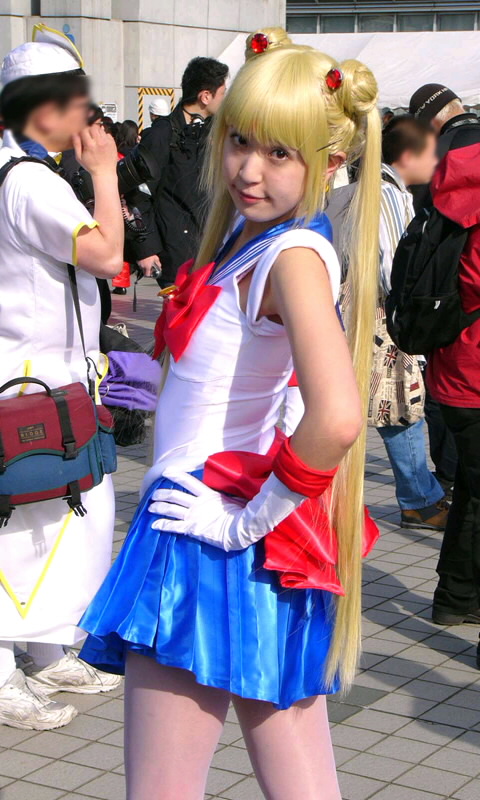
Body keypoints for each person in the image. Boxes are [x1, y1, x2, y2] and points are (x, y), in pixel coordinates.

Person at [80, 44, 381, 799]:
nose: (248, 168)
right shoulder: (255, 237)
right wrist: (152, 386)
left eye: (280, 152)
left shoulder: (291, 255)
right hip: (236, 536)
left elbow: (337, 416)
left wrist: (244, 521)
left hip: (203, 537)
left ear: (331, 160)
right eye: (241, 139)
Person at [0, 25, 123, 729]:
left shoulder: (22, 171)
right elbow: (107, 255)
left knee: (56, 520)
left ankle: (47, 650)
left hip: (43, 377)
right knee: (22, 526)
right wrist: (104, 173)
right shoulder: (29, 181)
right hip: (29, 383)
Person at [409, 83, 480, 625]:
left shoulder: (436, 186)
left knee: (474, 490)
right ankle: (457, 601)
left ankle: (455, 600)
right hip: (475, 368)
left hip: (452, 363)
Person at [373, 116, 449, 530]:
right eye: (431, 153)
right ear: (409, 155)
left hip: (381, 317)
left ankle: (420, 496)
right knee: (398, 406)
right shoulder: (386, 195)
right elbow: (392, 269)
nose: (436, 162)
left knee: (396, 406)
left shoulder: (386, 191)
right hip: (384, 318)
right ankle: (419, 499)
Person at [136, 56, 229, 286]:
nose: (225, 100)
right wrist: (146, 249)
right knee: (179, 309)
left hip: (210, 248)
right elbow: (139, 196)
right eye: (223, 93)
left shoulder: (216, 133)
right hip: (175, 253)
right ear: (205, 96)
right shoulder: (161, 135)